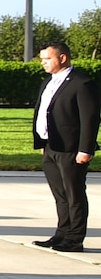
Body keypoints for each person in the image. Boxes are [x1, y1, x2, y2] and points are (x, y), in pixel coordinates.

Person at [33, 40, 96, 252]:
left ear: (62, 58)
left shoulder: (81, 83)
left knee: (74, 194)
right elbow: (44, 112)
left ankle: (75, 238)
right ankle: (62, 233)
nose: (44, 63)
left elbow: (90, 119)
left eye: (47, 59)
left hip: (71, 149)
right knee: (60, 194)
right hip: (51, 146)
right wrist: (42, 141)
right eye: (42, 59)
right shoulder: (48, 82)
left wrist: (85, 149)